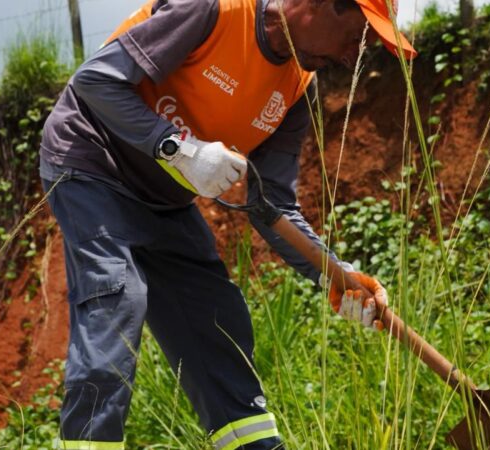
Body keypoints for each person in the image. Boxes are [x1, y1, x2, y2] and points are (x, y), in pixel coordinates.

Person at [39, 0, 416, 448]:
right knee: (116, 302)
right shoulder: (216, 10)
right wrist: (176, 148)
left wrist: (335, 274)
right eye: (355, 38)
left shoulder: (297, 90)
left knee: (218, 322)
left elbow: (272, 204)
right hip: (92, 161)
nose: (351, 56)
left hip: (164, 197)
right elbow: (95, 82)